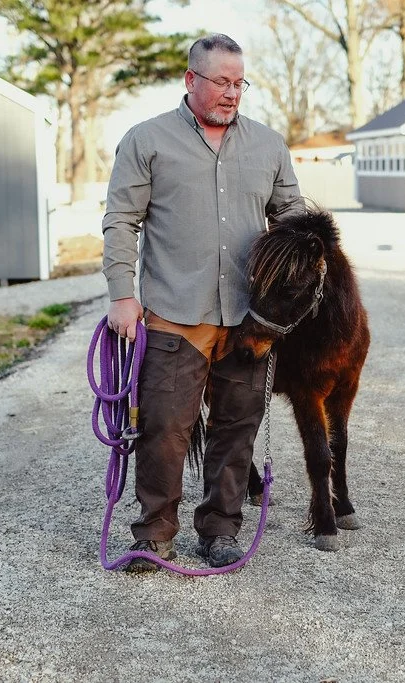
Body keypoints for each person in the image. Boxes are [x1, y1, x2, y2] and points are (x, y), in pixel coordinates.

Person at [101, 33, 304, 572]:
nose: (232, 93)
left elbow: (293, 226)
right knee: (165, 428)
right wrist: (123, 295)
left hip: (246, 321)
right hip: (174, 313)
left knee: (236, 427)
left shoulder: (269, 146)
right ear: (191, 80)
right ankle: (153, 535)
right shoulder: (146, 140)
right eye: (221, 82)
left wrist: (297, 289)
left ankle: (219, 530)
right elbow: (121, 220)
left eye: (239, 84)